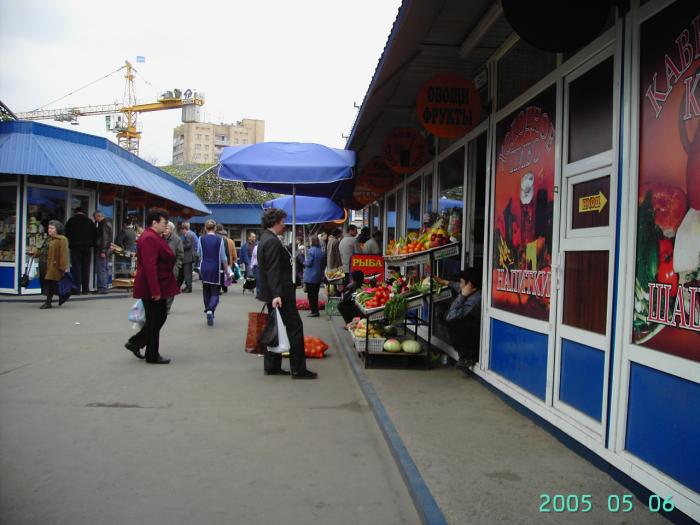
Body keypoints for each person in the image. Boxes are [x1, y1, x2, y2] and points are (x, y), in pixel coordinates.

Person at [257, 208, 317, 379]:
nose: (284, 225)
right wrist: (277, 294)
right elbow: (273, 270)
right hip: (281, 294)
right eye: (282, 221)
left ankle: (272, 365)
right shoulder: (272, 241)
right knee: (295, 327)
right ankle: (298, 369)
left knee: (274, 327)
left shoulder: (266, 238)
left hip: (275, 293)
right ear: (274, 222)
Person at [125, 208, 179, 364]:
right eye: (164, 222)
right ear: (154, 222)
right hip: (153, 286)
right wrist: (155, 290)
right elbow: (150, 266)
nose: (166, 225)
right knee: (156, 319)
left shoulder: (154, 236)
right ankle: (151, 354)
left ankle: (138, 343)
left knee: (158, 317)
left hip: (158, 284)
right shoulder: (149, 238)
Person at [443, 268, 482, 371]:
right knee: (444, 318)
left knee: (453, 323)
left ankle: (469, 356)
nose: (459, 285)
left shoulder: (475, 299)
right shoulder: (472, 289)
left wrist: (462, 295)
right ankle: (465, 354)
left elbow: (450, 316)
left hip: (477, 334)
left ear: (470, 285)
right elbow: (456, 286)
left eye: (461, 282)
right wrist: (443, 281)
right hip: (473, 327)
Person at [197, 220, 230, 326]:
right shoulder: (219, 240)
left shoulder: (201, 239)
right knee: (215, 291)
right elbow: (223, 257)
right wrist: (227, 270)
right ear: (215, 228)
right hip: (216, 268)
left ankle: (208, 310)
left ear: (205, 228)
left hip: (204, 267)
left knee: (206, 290)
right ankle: (211, 309)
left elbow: (198, 253)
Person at [35, 220, 70, 309]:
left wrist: (63, 266)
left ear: (57, 229)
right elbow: (43, 250)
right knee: (49, 283)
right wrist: (35, 253)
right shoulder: (48, 238)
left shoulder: (62, 239)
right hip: (44, 264)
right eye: (48, 228)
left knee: (50, 283)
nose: (49, 230)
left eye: (52, 228)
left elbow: (63, 254)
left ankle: (48, 302)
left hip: (53, 265)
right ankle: (62, 295)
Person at [64, 207, 94, 294]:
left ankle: (77, 288)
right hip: (87, 247)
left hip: (75, 246)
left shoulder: (71, 221)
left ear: (75, 212)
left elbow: (67, 233)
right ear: (84, 212)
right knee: (86, 267)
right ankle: (85, 289)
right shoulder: (89, 221)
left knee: (77, 267)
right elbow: (95, 233)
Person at [164, 221, 184, 314]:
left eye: (167, 228)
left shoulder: (177, 240)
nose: (165, 229)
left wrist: (177, 266)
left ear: (171, 230)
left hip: (172, 267)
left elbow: (180, 255)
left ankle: (167, 307)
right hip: (161, 267)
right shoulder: (160, 237)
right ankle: (161, 305)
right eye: (164, 227)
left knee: (170, 288)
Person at [303, 236, 325, 317]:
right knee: (315, 294)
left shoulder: (311, 251)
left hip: (310, 276)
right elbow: (323, 264)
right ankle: (315, 310)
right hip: (318, 275)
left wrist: (303, 262)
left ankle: (314, 311)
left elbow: (308, 263)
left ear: (312, 241)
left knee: (311, 295)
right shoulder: (321, 251)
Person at [93, 210, 112, 294]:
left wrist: (103, 250)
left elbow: (105, 238)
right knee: (103, 268)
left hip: (102, 249)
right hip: (104, 249)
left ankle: (103, 288)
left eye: (95, 218)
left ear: (98, 216)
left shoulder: (104, 224)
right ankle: (103, 287)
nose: (95, 220)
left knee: (101, 269)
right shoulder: (107, 223)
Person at [179, 222, 197, 293]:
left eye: (181, 230)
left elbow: (188, 245)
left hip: (188, 257)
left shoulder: (188, 235)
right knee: (188, 273)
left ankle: (188, 288)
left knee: (187, 273)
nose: (181, 232)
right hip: (189, 257)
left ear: (184, 229)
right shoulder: (191, 234)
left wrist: (180, 247)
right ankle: (188, 287)